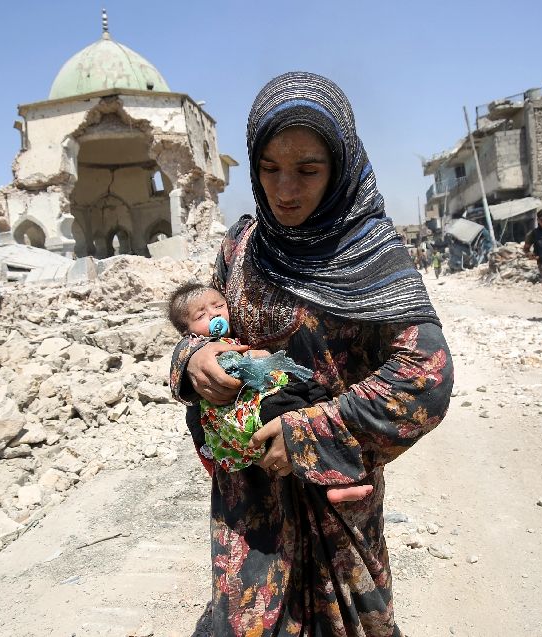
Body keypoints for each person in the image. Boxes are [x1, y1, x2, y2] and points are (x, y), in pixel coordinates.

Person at [170, 71, 453, 636]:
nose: (285, 190)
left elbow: (426, 377)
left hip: (334, 497)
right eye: (270, 169)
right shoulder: (243, 246)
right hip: (249, 499)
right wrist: (193, 359)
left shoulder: (373, 256)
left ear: (341, 166)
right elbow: (208, 324)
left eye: (307, 170)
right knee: (246, 621)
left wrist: (309, 431)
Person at [166, 282, 373, 503]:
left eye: (219, 306)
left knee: (316, 399)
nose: (214, 314)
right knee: (294, 426)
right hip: (252, 411)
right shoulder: (202, 348)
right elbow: (210, 391)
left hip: (270, 392)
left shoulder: (230, 337)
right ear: (187, 332)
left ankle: (341, 478)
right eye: (200, 316)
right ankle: (331, 486)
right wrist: (256, 356)